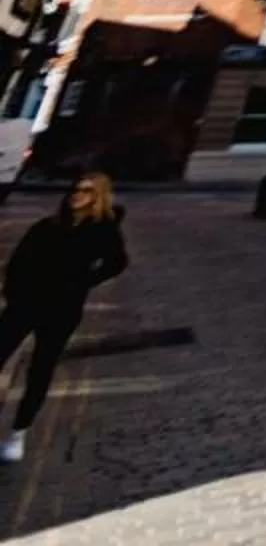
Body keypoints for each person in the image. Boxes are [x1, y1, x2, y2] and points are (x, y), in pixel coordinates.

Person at [0, 174, 128, 462]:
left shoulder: (103, 231)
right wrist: (13, 290)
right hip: (25, 303)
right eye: (75, 189)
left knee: (40, 369)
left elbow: (117, 263)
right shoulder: (49, 225)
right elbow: (19, 259)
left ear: (98, 197)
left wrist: (83, 282)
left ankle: (18, 433)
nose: (76, 195)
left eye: (86, 191)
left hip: (62, 309)